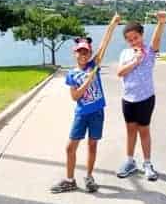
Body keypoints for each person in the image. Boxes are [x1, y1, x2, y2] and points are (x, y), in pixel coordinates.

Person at [51, 12, 120, 194]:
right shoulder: (72, 74)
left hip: (97, 112)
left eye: (86, 51)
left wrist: (112, 24)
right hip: (82, 113)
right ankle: (69, 180)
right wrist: (86, 83)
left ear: (89, 52)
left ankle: (89, 177)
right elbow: (74, 97)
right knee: (70, 147)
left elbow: (105, 43)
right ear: (75, 53)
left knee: (92, 144)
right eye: (79, 52)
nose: (83, 54)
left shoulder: (94, 65)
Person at [116, 11, 166, 181]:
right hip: (128, 99)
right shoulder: (125, 53)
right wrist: (135, 61)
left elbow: (157, 39)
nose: (133, 41)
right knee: (130, 130)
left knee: (144, 131)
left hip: (145, 99)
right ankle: (130, 162)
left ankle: (147, 164)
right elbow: (120, 72)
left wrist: (161, 22)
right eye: (129, 39)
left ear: (142, 35)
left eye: (136, 38)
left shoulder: (150, 51)